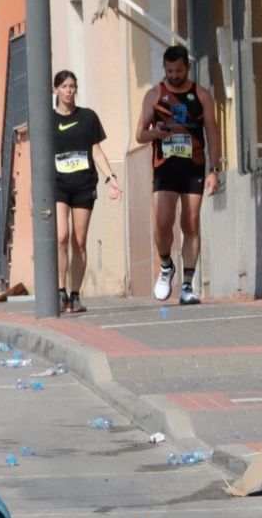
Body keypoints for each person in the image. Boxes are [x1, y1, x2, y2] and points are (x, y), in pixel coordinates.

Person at [136, 44, 220, 305]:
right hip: (165, 167)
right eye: (170, 70)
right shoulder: (153, 95)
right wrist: (155, 133)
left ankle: (186, 285)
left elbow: (213, 134)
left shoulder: (202, 95)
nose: (174, 75)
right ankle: (165, 265)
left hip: (193, 165)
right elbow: (140, 134)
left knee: (191, 223)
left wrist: (214, 170)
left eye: (178, 70)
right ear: (164, 68)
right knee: (162, 222)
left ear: (188, 68)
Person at [51, 69, 121, 315]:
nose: (69, 90)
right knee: (61, 237)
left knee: (79, 241)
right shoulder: (48, 120)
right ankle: (59, 292)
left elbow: (96, 151)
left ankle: (75, 295)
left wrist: (111, 177)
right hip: (57, 185)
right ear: (55, 90)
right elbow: (38, 157)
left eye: (72, 86)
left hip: (83, 185)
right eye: (64, 86)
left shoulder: (88, 117)